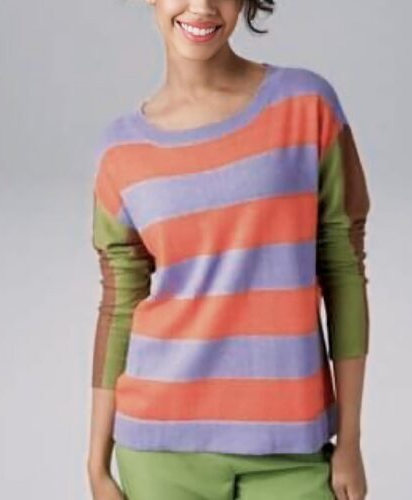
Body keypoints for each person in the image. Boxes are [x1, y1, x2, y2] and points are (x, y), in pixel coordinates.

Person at [86, 0, 371, 499]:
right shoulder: (120, 152)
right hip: (159, 450)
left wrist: (350, 440)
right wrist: (96, 461)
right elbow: (120, 305)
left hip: (293, 445)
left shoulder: (307, 104)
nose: (202, 6)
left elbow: (343, 269)